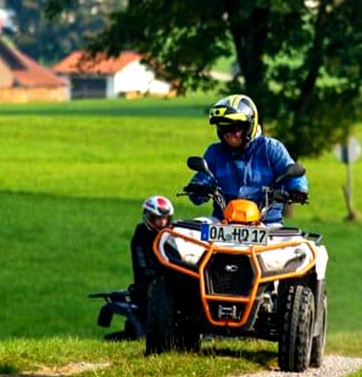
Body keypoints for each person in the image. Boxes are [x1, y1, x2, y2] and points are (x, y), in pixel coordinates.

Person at [184, 94, 308, 224]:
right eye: (224, 127)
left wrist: (298, 190)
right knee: (184, 232)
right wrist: (197, 188)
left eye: (235, 128)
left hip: (268, 225)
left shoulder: (271, 148)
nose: (229, 133)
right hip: (222, 222)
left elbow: (292, 174)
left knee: (299, 244)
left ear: (250, 125)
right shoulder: (214, 152)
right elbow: (203, 179)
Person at [129, 194, 174, 322]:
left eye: (166, 218)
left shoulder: (170, 235)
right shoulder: (141, 236)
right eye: (158, 218)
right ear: (148, 217)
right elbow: (143, 266)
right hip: (149, 283)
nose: (163, 222)